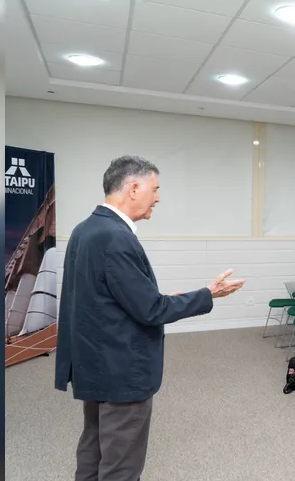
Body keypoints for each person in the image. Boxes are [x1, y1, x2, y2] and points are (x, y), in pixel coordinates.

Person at [54, 156, 244, 481]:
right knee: (121, 467)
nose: (158, 197)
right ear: (133, 188)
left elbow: (101, 301)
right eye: (155, 189)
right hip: (122, 371)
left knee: (93, 449)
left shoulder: (85, 229)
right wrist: (208, 294)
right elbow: (151, 309)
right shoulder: (116, 238)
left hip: (96, 363)